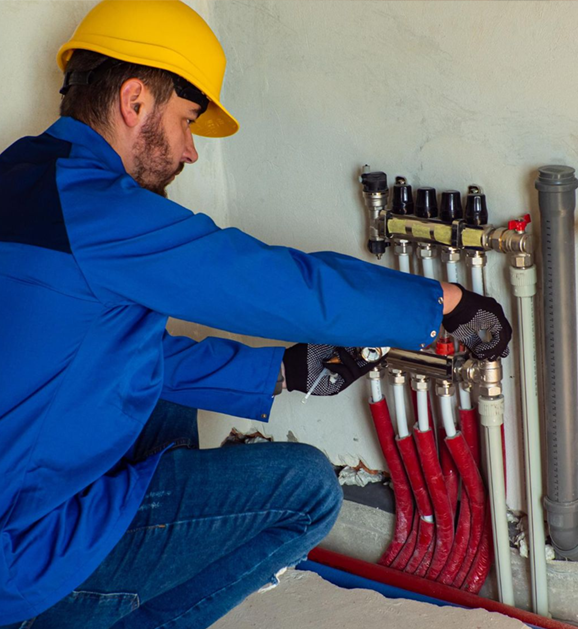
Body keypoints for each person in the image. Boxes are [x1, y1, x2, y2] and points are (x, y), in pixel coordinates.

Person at [0, 1, 511, 627]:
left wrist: (285, 372)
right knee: (308, 489)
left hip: (16, 493)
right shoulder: (98, 210)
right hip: (21, 562)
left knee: (158, 399)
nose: (190, 151)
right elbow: (268, 280)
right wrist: (443, 306)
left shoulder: (21, 176)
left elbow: (104, 357)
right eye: (187, 121)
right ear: (135, 102)